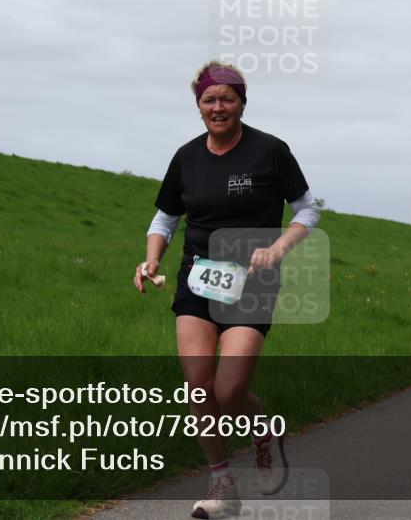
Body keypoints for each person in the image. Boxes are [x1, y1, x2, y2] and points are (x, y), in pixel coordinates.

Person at [134, 61, 319, 519]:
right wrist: (152, 258)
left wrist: (278, 248)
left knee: (230, 390)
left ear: (242, 102)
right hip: (197, 280)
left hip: (253, 282)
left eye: (227, 99)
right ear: (198, 106)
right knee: (199, 390)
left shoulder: (270, 151)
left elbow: (307, 210)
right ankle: (222, 484)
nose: (218, 107)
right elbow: (165, 218)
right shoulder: (186, 157)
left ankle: (264, 435)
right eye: (209, 100)